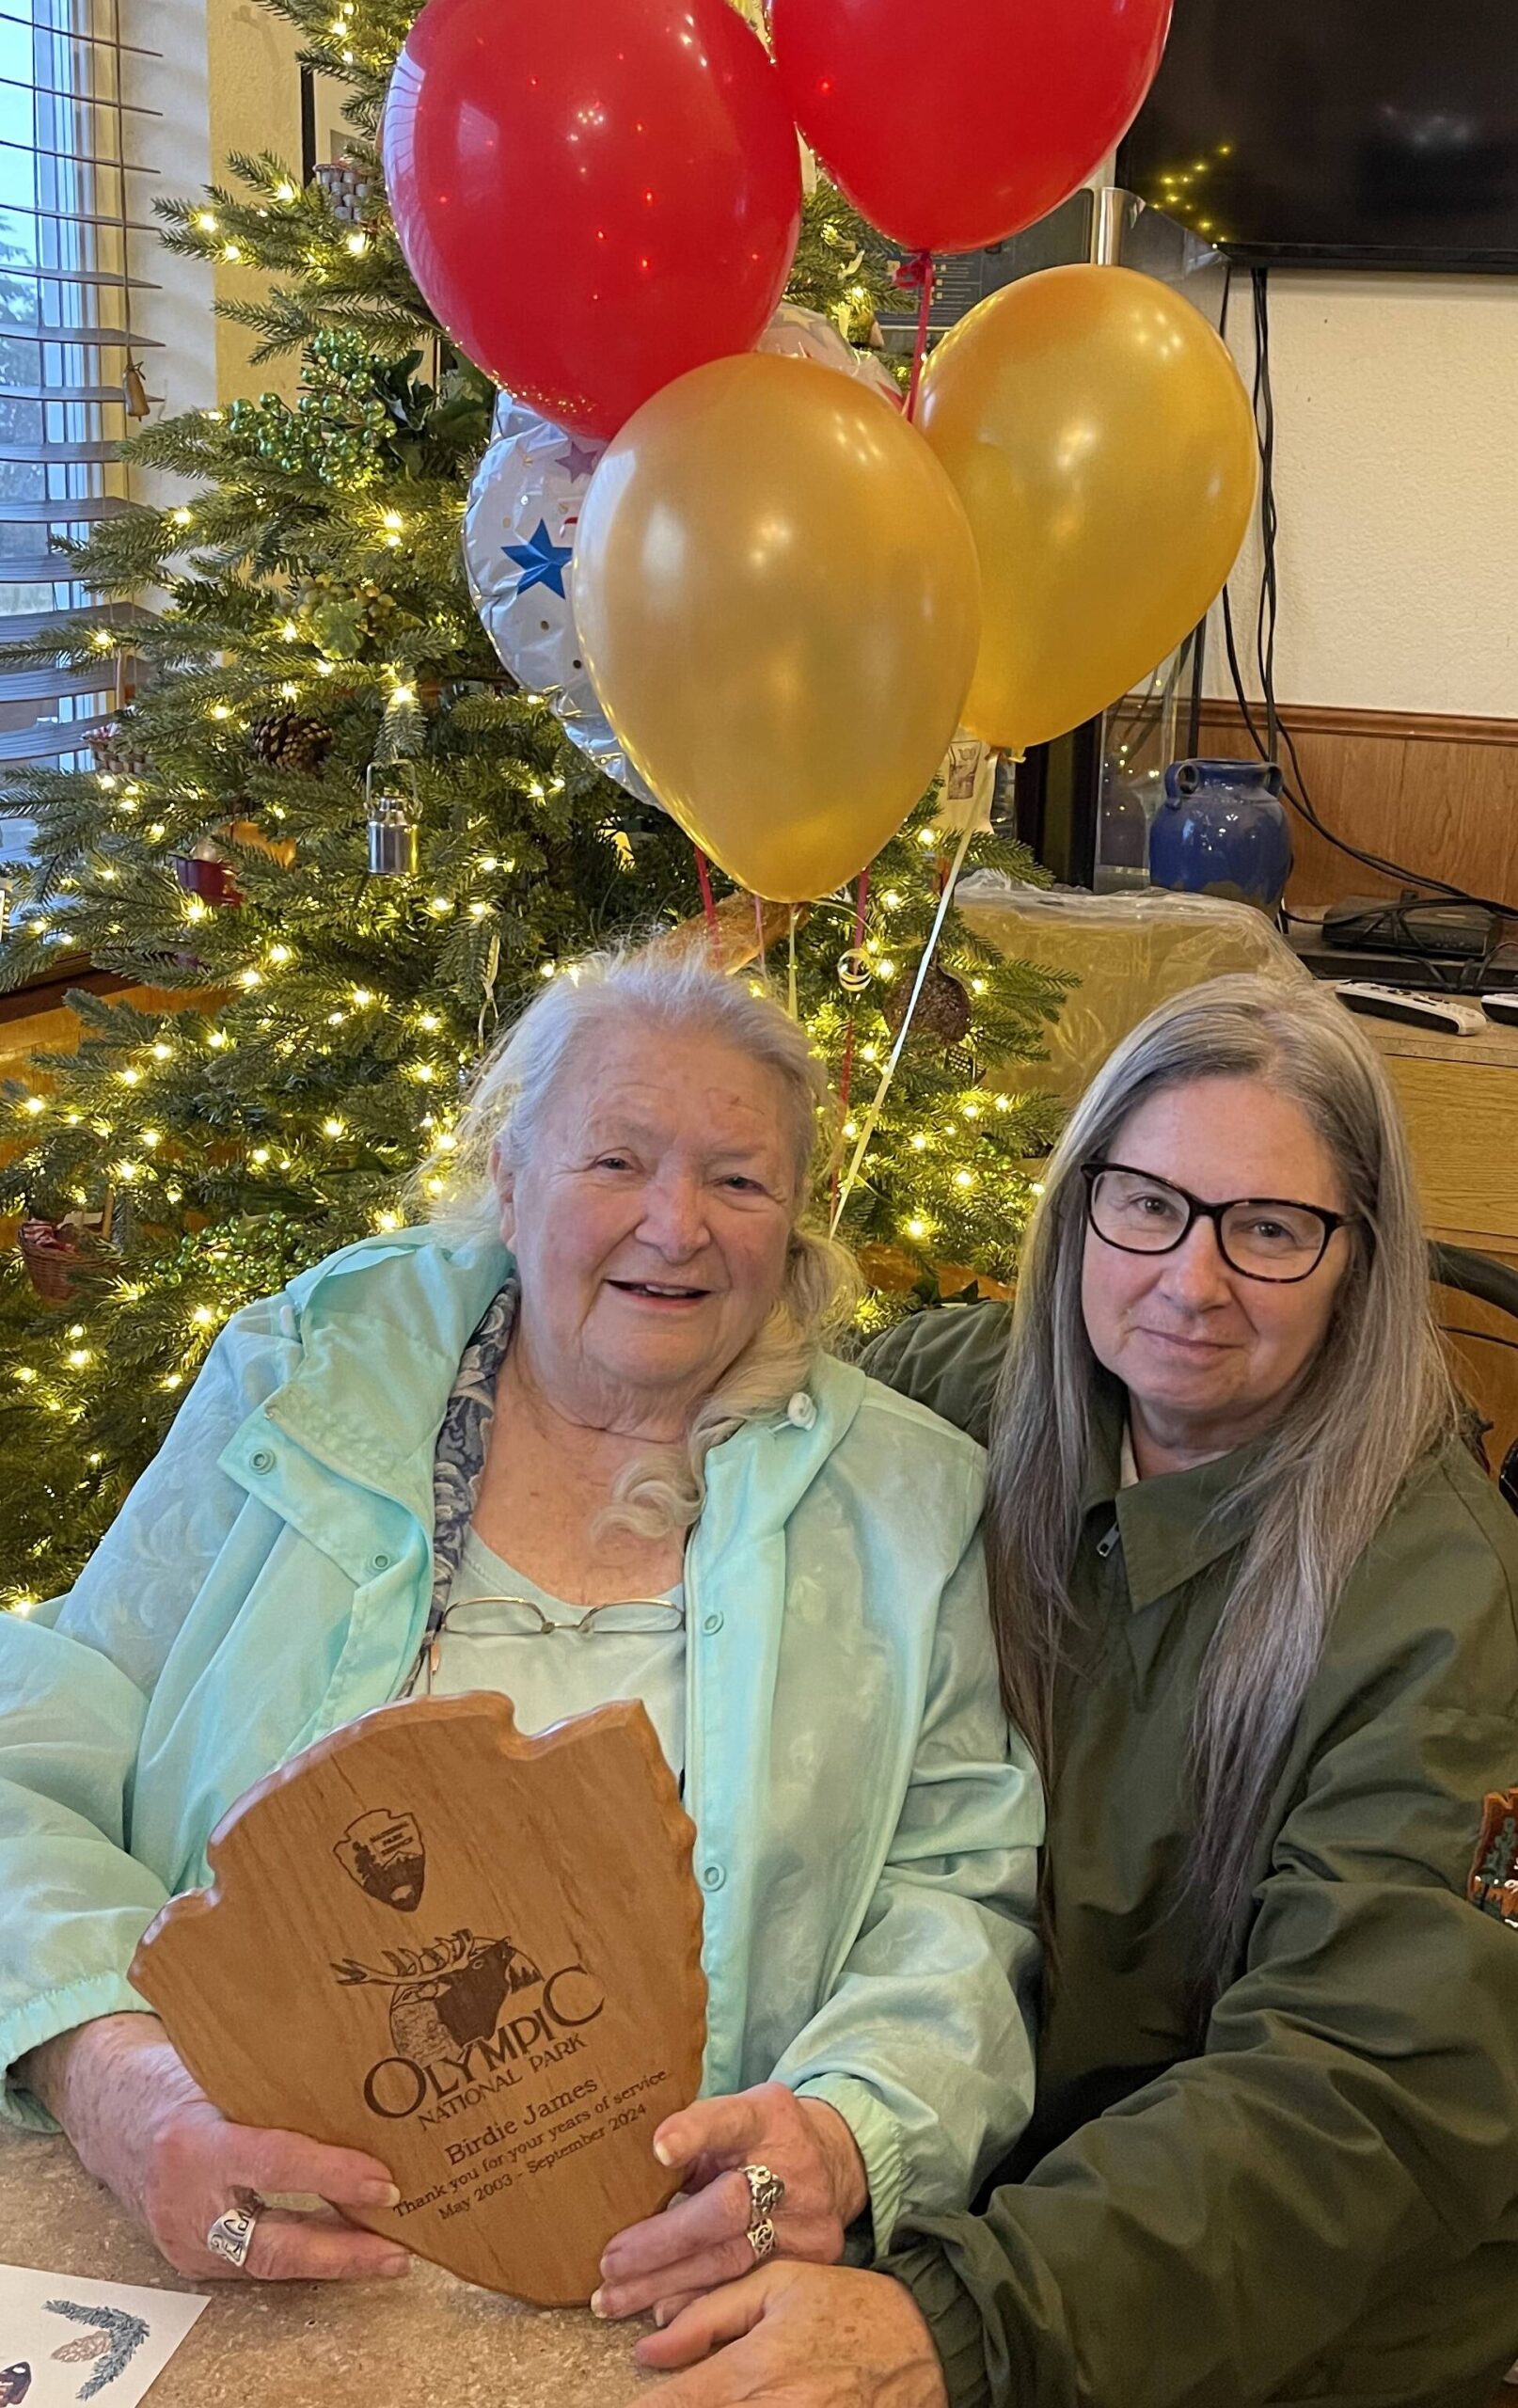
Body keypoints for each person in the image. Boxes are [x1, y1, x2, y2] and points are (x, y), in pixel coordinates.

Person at [0, 942, 1041, 2313]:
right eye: (613, 1161)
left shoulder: (904, 1497)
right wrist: (120, 2082)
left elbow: (955, 1891)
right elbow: (35, 1744)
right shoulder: (304, 1385)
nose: (674, 1225)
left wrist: (845, 2133)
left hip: (670, 2275)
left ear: (792, 1223)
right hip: (224, 2239)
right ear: (507, 1172)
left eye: (736, 1180)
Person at [627, 973, 1518, 2408]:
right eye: (1147, 1203)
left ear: (1361, 1258)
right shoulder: (952, 1400)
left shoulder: (1440, 1608)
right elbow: (647, 1359)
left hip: (1265, 2314)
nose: (1190, 1280)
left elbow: (1365, 2097)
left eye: (1271, 1230)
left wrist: (957, 2325)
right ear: (1079, 1201)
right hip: (944, 2189)